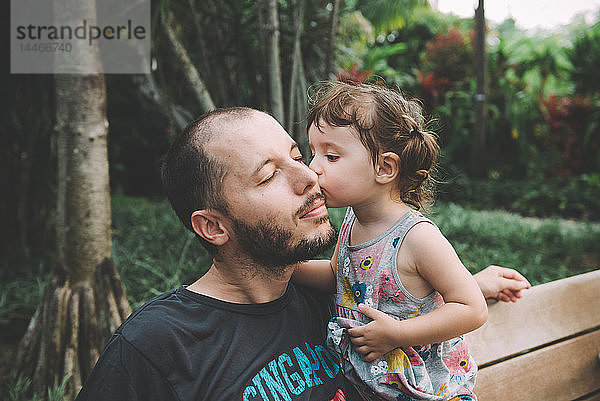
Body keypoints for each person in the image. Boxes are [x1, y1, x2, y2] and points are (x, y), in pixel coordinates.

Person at [75, 107, 529, 401]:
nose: (310, 177)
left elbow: (373, 278)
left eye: (298, 155)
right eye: (270, 175)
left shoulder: (326, 298)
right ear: (213, 226)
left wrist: (467, 284)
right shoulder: (158, 345)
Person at [291, 82, 528, 401]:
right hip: (375, 386)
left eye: (331, 156)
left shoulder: (417, 237)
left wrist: (397, 334)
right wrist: (285, 267)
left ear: (384, 167)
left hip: (430, 392)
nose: (313, 168)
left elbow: (471, 308)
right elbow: (338, 276)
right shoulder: (352, 220)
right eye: (313, 152)